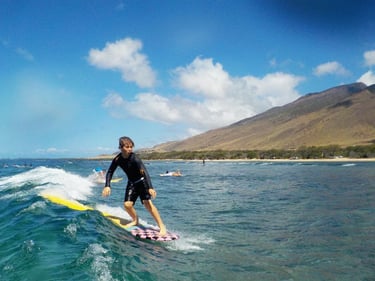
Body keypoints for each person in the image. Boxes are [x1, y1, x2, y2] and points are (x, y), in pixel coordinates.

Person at [101, 136, 167, 236]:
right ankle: (135, 220)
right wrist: (107, 185)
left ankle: (162, 226)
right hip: (131, 183)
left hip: (142, 182)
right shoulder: (118, 159)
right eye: (127, 147)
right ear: (120, 147)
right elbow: (110, 171)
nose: (130, 149)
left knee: (147, 204)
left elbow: (145, 172)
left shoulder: (135, 158)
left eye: (131, 147)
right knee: (127, 205)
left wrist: (150, 187)